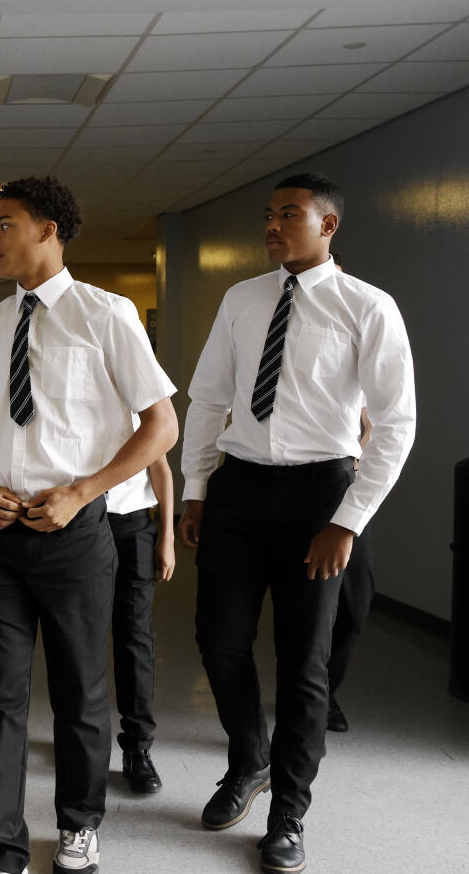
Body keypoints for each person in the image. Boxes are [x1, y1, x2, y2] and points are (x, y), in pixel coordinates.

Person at [0, 176, 178, 874]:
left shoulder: (106, 316)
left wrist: (85, 491)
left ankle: (79, 824)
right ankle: (0, 847)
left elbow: (161, 425)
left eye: (5, 223)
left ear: (49, 230)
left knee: (80, 693)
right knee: (2, 700)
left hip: (74, 535)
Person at [179, 173, 415, 874]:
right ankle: (248, 760)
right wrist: (195, 488)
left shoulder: (366, 307)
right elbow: (207, 397)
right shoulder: (242, 299)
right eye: (269, 215)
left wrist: (346, 521)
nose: (272, 226)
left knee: (303, 664)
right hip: (240, 489)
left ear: (328, 225)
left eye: (288, 214)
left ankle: (289, 815)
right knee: (218, 641)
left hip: (322, 491)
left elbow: (396, 427)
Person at [325, 252, 376, 734]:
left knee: (354, 601)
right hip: (307, 483)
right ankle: (307, 696)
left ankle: (326, 691)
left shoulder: (365, 330)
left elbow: (378, 424)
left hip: (352, 489)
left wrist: (358, 454)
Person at [106, 453, 176, 793]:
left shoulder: (144, 401)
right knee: (79, 638)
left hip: (134, 527)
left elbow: (158, 465)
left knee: (135, 638)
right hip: (78, 523)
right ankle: (78, 739)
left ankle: (137, 748)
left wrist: (167, 537)